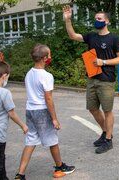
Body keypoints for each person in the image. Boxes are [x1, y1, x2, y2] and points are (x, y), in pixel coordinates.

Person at [63, 5, 119, 154]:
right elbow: (73, 36)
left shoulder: (114, 38)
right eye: (95, 18)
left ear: (107, 21)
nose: (97, 20)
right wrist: (67, 20)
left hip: (107, 80)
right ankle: (105, 132)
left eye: (100, 18)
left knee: (107, 110)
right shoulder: (91, 36)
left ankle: (108, 140)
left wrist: (103, 62)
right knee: (92, 108)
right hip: (92, 78)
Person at [15, 44, 75, 180]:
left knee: (30, 141)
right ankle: (60, 167)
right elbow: (48, 98)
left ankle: (21, 174)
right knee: (52, 140)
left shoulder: (29, 73)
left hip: (30, 110)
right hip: (42, 111)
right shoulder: (46, 76)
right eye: (49, 55)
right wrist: (54, 118)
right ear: (43, 58)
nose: (50, 58)